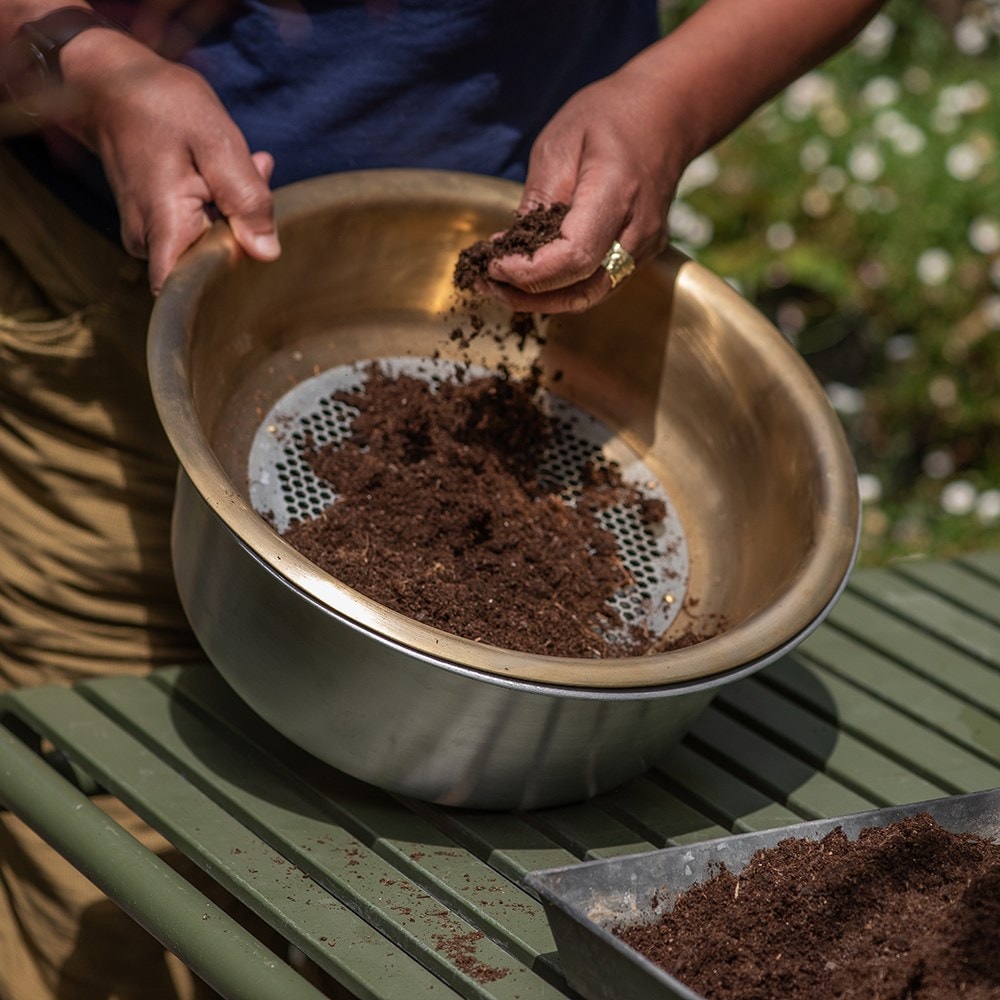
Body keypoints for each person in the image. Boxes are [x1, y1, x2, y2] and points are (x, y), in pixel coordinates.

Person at [0, 1, 883, 997]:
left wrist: (672, 100)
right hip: (106, 299)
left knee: (427, 927)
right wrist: (78, 56)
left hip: (535, 293)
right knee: (116, 857)